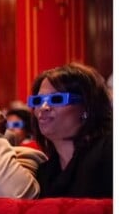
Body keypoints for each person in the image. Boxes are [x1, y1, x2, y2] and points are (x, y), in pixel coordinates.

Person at [28, 62, 112, 198]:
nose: (43, 107)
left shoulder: (109, 149)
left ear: (87, 106)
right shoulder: (44, 172)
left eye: (56, 99)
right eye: (37, 101)